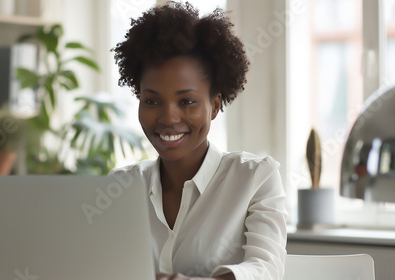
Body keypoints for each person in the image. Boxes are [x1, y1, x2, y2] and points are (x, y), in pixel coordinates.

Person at [110, 2, 287, 280]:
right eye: (152, 100)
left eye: (187, 101)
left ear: (215, 105)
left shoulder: (255, 178)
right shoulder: (119, 186)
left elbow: (266, 269)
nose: (168, 118)